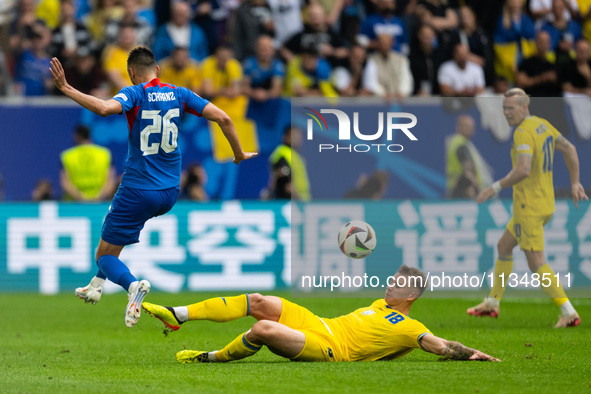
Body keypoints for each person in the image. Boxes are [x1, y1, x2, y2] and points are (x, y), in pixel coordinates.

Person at [49, 47, 257, 327]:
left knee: (103, 254)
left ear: (131, 73)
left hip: (138, 189)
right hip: (170, 192)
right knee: (113, 243)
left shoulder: (134, 93)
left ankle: (133, 287)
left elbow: (102, 108)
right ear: (157, 69)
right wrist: (239, 153)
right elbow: (225, 118)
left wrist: (65, 87)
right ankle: (96, 285)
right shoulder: (180, 93)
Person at [142, 265, 500, 363]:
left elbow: (439, 346)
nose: (390, 286)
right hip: (319, 323)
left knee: (264, 329)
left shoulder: (411, 327)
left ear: (413, 295)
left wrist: (473, 354)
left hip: (331, 349)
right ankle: (178, 314)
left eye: (398, 284)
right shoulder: (380, 306)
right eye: (391, 280)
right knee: (258, 301)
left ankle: (211, 358)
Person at [467, 88, 588, 328]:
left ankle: (568, 311)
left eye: (511, 108)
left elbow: (523, 169)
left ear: (525, 107)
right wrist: (575, 182)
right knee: (504, 245)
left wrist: (493, 188)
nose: (506, 113)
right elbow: (570, 149)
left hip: (528, 206)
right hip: (545, 202)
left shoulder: (523, 132)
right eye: (504, 108)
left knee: (536, 261)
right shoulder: (542, 125)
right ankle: (492, 302)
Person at [60, 125, 115, 201]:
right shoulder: (105, 154)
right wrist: (98, 197)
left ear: (77, 136)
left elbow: (65, 183)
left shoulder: (67, 156)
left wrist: (81, 197)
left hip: (74, 206)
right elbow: (110, 181)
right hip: (99, 204)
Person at [445, 115, 493, 199]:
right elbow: (468, 170)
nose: (472, 130)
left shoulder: (456, 143)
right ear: (458, 128)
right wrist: (477, 188)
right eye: (467, 127)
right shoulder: (460, 144)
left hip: (457, 189)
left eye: (472, 127)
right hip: (463, 191)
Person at [267, 125, 310, 201]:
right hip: (289, 201)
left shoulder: (296, 156)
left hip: (301, 201)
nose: (298, 139)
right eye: (294, 136)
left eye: (299, 136)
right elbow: (283, 179)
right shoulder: (283, 153)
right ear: (286, 137)